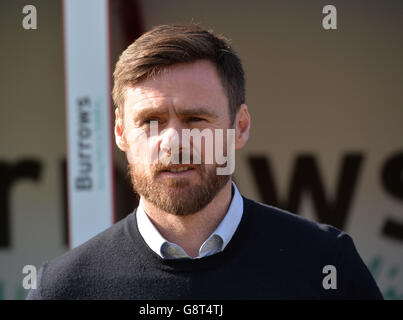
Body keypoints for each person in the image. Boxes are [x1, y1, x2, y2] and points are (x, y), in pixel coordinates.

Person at [27, 24, 383, 300]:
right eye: (150, 121)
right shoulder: (63, 288)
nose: (174, 142)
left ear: (239, 127)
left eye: (196, 119)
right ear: (120, 133)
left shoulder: (327, 265)